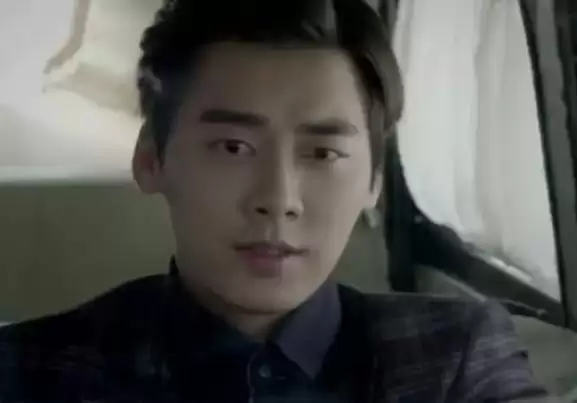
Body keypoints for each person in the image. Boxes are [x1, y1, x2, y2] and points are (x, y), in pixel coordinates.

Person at [0, 0, 554, 402]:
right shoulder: (33, 371)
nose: (279, 199)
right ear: (151, 158)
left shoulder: (453, 360)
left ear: (373, 180)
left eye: (323, 153)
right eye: (233, 147)